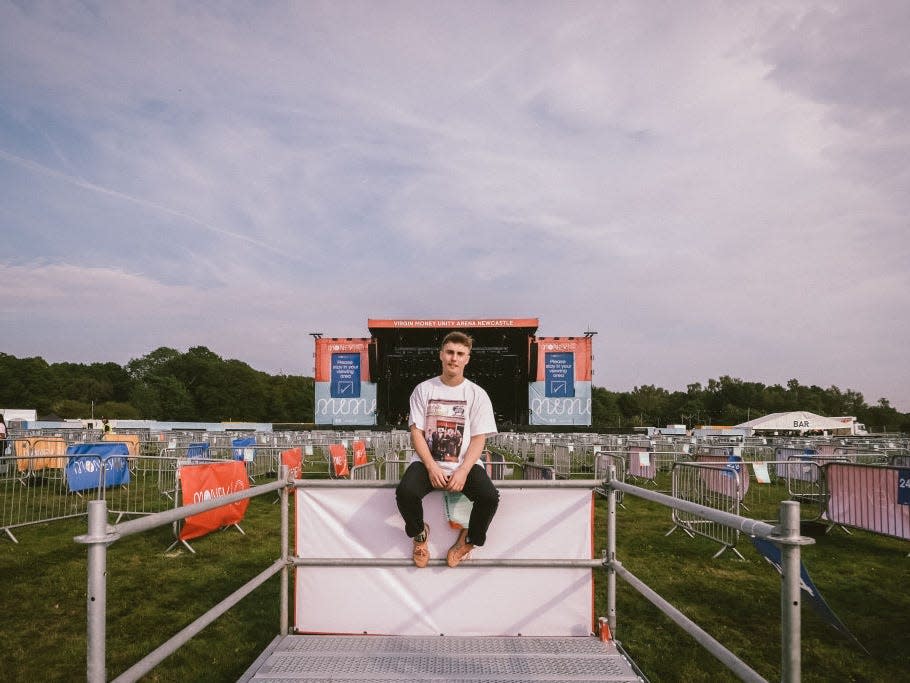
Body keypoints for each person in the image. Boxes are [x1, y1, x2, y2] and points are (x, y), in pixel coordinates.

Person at [395, 331, 499, 568]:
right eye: (450, 352)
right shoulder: (423, 389)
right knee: (406, 493)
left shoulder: (477, 394)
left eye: (460, 354)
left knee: (489, 498)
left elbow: (479, 439)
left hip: (464, 463)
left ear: (467, 359)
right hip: (427, 462)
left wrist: (463, 471)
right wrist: (431, 467)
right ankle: (420, 534)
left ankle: (469, 540)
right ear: (441, 355)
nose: (454, 358)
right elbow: (417, 433)